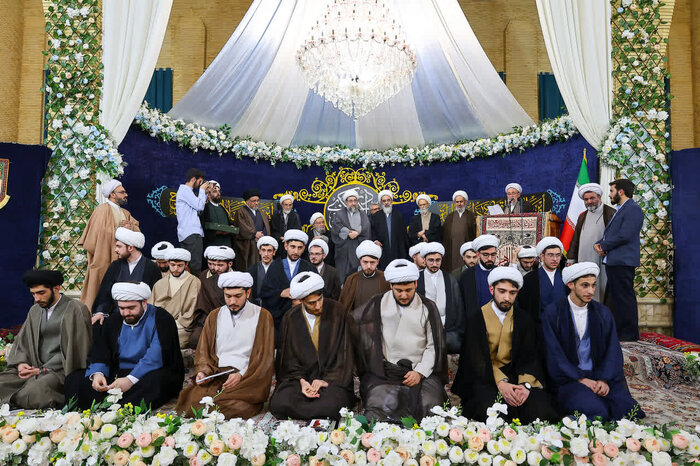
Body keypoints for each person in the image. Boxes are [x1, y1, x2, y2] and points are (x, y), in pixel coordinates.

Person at [453, 267, 558, 423]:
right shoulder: (477, 318)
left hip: (516, 375)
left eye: (512, 293)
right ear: (492, 290)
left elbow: (530, 356)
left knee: (539, 409)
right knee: (491, 411)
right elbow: (474, 359)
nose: (507, 297)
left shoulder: (524, 319)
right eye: (502, 291)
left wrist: (525, 385)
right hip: (486, 376)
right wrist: (501, 383)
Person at [542, 263, 645, 421]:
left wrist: (603, 379)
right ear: (571, 285)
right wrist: (581, 379)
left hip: (599, 375)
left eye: (593, 285)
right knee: (597, 413)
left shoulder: (603, 313)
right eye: (585, 285)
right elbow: (553, 354)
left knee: (631, 411)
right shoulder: (553, 312)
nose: (591, 291)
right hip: (569, 379)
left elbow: (612, 351)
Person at [351, 259, 447, 422]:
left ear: (416, 284)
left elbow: (433, 347)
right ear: (390, 286)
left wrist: (419, 372)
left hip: (420, 369)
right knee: (379, 403)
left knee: (430, 403)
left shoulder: (428, 307)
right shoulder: (377, 303)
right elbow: (356, 325)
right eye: (399, 290)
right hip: (386, 370)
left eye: (408, 290)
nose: (404, 295)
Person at [65, 282, 184, 410]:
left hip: (150, 371)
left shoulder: (161, 318)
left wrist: (130, 380)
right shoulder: (114, 320)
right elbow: (101, 351)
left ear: (144, 302)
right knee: (75, 379)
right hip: (119, 371)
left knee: (156, 382)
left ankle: (119, 411)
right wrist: (98, 374)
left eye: (131, 308)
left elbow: (156, 355)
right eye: (122, 308)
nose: (126, 313)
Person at [176, 271, 274, 419]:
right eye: (228, 296)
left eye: (238, 296)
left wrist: (241, 375)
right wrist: (204, 371)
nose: (232, 301)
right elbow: (204, 351)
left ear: (248, 293)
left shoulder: (263, 316)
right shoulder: (214, 315)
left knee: (237, 406)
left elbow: (264, 357)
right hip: (217, 375)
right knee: (192, 402)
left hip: (247, 378)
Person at [269, 272, 355, 420]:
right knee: (279, 402)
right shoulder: (290, 318)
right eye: (311, 303)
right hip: (302, 379)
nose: (318, 305)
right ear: (301, 301)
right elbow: (288, 359)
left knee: (332, 405)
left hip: (332, 379)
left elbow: (345, 353)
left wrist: (325, 381)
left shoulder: (338, 311)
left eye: (320, 299)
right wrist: (302, 382)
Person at [0, 270, 91, 408]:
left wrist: (43, 370)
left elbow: (77, 350)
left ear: (56, 288)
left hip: (60, 371)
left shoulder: (76, 309)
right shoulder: (35, 310)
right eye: (33, 294)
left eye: (41, 293)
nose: (37, 298)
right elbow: (23, 342)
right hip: (33, 368)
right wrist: (21, 363)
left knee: (35, 391)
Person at [594, 179, 643, 341]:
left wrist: (603, 245)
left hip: (623, 262)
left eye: (612, 191)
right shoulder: (621, 209)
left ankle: (629, 334)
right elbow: (613, 234)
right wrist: (600, 244)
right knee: (618, 299)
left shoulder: (633, 209)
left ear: (621, 192)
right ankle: (621, 332)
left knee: (624, 299)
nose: (610, 195)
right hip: (615, 261)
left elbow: (625, 235)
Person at [79, 179, 140, 309]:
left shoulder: (126, 213)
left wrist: (131, 227)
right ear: (112, 194)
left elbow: (137, 232)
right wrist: (120, 230)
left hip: (122, 261)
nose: (126, 195)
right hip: (104, 258)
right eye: (122, 192)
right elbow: (98, 235)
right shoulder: (101, 210)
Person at [92, 228, 161, 323]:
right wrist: (100, 312)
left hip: (142, 318)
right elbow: (104, 294)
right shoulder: (115, 266)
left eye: (119, 247)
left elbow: (156, 297)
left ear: (130, 248)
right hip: (117, 317)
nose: (116, 250)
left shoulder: (151, 268)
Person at [260, 229, 316, 343]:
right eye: (292, 247)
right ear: (286, 246)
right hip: (279, 322)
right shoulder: (275, 266)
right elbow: (265, 292)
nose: (296, 251)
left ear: (304, 249)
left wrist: (302, 300)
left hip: (303, 321)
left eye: (299, 248)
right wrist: (280, 293)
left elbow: (318, 293)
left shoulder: (309, 268)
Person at [568, 183, 616, 302]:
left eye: (592, 198)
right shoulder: (582, 216)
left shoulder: (610, 213)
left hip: (601, 261)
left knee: (600, 290)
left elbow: (616, 238)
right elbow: (575, 239)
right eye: (586, 199)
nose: (589, 201)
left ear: (599, 197)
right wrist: (571, 259)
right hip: (583, 260)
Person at [416, 243, 464, 354]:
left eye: (438, 260)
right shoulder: (417, 279)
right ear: (424, 260)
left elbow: (458, 307)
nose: (434, 264)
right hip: (423, 328)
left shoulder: (450, 279)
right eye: (431, 260)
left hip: (448, 329)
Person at [149, 248, 202, 348]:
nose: (175, 269)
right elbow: (151, 308)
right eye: (172, 265)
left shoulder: (194, 282)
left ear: (186, 264)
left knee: (169, 337)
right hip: (159, 323)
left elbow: (190, 313)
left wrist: (171, 324)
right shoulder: (160, 283)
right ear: (168, 263)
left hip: (182, 326)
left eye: (180, 265)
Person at [189, 245, 235, 348]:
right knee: (195, 340)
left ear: (230, 264)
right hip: (209, 319)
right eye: (213, 264)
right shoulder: (204, 276)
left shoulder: (238, 279)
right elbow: (202, 303)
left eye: (220, 265)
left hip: (232, 319)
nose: (216, 268)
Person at [517, 237, 566, 325]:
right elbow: (524, 307)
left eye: (558, 255)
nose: (555, 259)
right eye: (550, 255)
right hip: (538, 328)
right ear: (542, 256)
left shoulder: (565, 277)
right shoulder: (530, 279)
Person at [331, 189, 371, 283]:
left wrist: (357, 233)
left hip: (357, 246)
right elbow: (336, 226)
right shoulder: (339, 214)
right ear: (346, 202)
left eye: (355, 200)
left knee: (357, 273)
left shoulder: (362, 214)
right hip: (344, 248)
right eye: (350, 201)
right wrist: (349, 233)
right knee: (342, 273)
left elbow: (366, 226)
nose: (353, 203)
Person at [339, 240, 390, 312]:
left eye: (372, 262)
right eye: (365, 262)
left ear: (378, 261)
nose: (368, 266)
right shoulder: (352, 279)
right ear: (360, 261)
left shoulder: (385, 279)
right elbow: (343, 305)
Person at [176, 168, 210, 276]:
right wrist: (202, 191)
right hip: (191, 233)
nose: (200, 184)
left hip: (188, 233)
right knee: (195, 266)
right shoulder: (185, 190)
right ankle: (195, 286)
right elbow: (199, 206)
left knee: (190, 266)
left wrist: (205, 193)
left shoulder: (187, 192)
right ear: (194, 179)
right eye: (200, 181)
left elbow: (198, 208)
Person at [459, 234, 500, 315]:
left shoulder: (500, 273)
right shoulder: (467, 275)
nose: (490, 258)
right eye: (485, 255)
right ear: (478, 255)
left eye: (493, 255)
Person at [233, 188, 271, 272]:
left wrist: (262, 236)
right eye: (254, 201)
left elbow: (266, 226)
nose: (256, 203)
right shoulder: (240, 212)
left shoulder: (261, 212)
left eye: (257, 200)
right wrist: (254, 234)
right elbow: (241, 227)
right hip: (248, 246)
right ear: (247, 201)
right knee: (249, 268)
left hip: (261, 244)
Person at [370, 190, 408, 270]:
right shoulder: (376, 216)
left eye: (388, 200)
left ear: (391, 201)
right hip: (382, 251)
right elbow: (372, 232)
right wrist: (375, 241)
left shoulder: (399, 215)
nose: (386, 203)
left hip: (397, 250)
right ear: (381, 202)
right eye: (384, 201)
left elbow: (404, 236)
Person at [442, 190, 477, 273]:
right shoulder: (449, 216)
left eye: (461, 201)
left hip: (467, 248)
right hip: (451, 249)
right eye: (457, 202)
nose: (459, 204)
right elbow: (444, 235)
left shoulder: (472, 216)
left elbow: (475, 233)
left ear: (465, 202)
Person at [202, 180, 236, 250]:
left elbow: (229, 224)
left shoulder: (223, 208)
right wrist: (220, 232)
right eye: (215, 191)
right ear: (208, 194)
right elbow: (205, 227)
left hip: (227, 245)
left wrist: (232, 228)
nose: (218, 193)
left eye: (219, 191)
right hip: (213, 246)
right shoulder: (205, 208)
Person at [248, 236, 278, 306]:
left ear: (274, 252)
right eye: (263, 250)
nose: (266, 254)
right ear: (259, 251)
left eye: (269, 251)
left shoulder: (281, 268)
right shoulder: (252, 270)